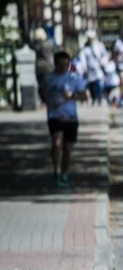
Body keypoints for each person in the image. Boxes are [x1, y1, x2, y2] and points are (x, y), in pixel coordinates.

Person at [41, 51, 88, 188]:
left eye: (66, 65)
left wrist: (72, 95)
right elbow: (42, 91)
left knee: (67, 149)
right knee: (56, 142)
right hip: (55, 116)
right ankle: (56, 171)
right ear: (55, 64)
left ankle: (65, 173)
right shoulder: (48, 78)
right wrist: (47, 101)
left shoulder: (74, 78)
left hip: (71, 117)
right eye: (60, 65)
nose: (63, 67)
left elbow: (84, 96)